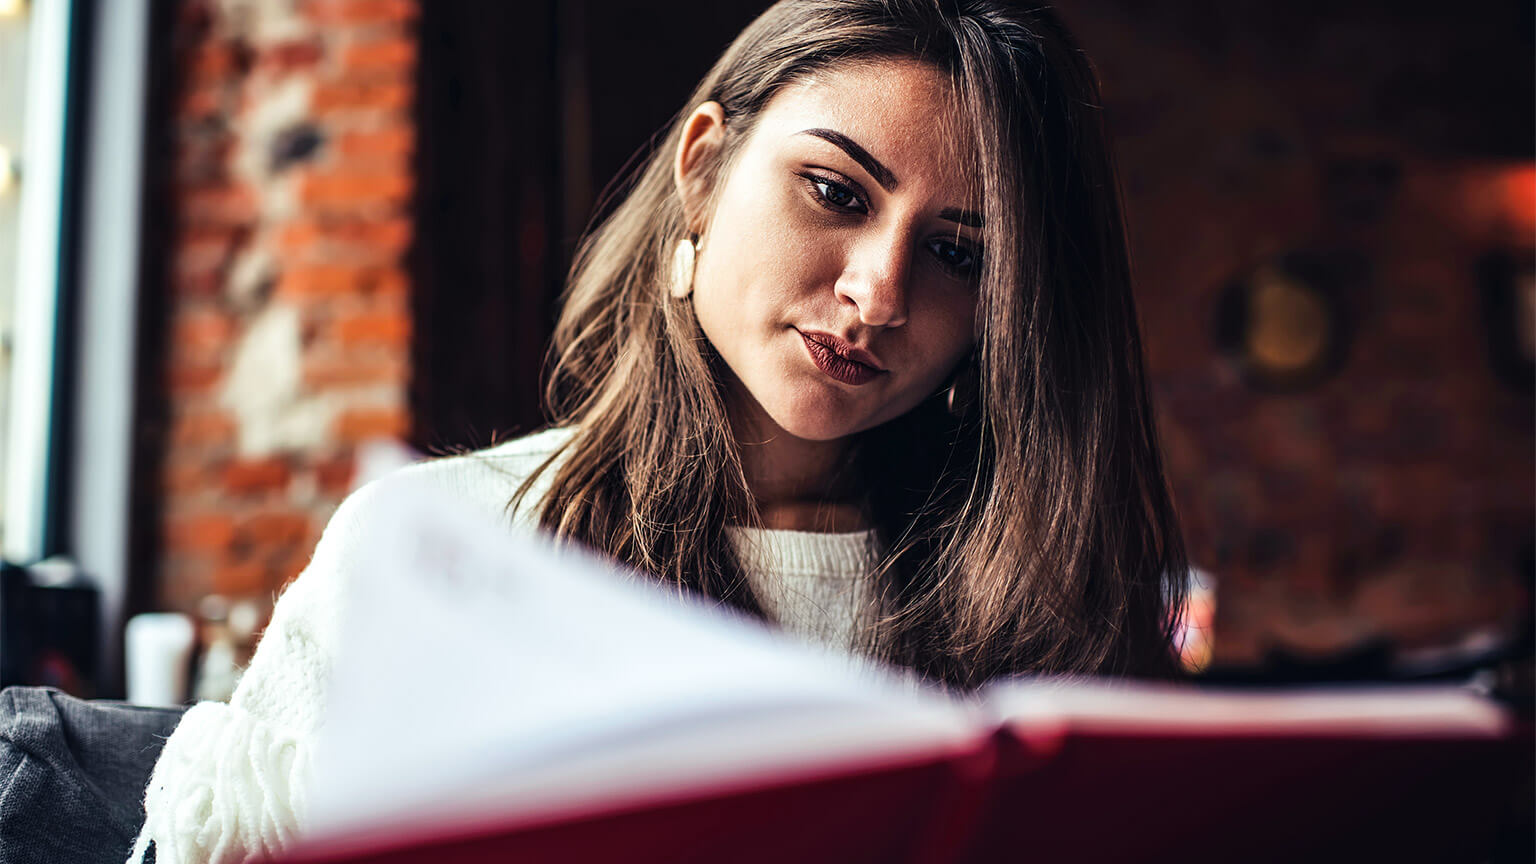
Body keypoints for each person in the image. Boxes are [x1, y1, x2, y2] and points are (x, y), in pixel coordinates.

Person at [130, 1, 1189, 860]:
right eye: (833, 192)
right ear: (703, 169)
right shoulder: (445, 545)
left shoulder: (1051, 612)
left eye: (959, 255)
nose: (876, 294)